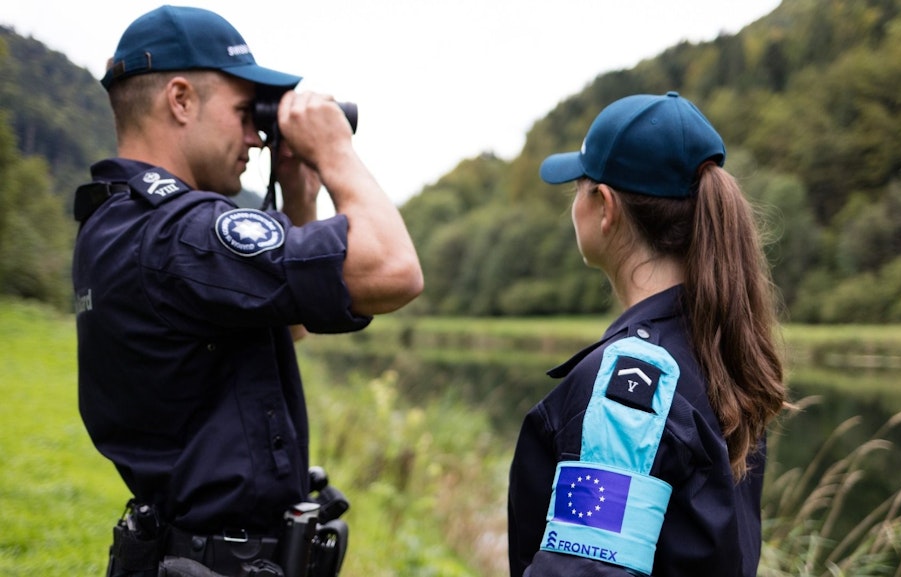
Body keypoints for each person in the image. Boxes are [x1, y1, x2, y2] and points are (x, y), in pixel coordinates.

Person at [72, 5, 422, 576]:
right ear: (180, 100)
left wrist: (299, 196)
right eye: (244, 112)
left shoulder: (116, 218)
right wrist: (335, 151)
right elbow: (396, 269)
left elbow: (289, 324)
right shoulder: (179, 233)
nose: (257, 138)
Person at [507, 92, 788, 577]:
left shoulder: (629, 391)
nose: (573, 203)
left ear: (605, 207)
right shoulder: (719, 351)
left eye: (579, 185)